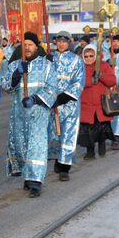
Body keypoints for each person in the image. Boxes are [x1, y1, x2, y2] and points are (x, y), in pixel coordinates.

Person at [2, 32, 57, 198]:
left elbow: (53, 88)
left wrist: (35, 98)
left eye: (30, 45)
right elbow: (5, 86)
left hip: (38, 112)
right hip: (19, 113)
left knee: (36, 146)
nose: (27, 48)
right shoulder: (15, 65)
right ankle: (28, 175)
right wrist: (16, 75)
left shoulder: (47, 65)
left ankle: (36, 182)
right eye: (24, 44)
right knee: (21, 145)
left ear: (36, 46)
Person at [48, 31, 85, 181]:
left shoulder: (76, 60)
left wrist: (64, 97)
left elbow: (79, 81)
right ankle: (57, 159)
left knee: (68, 135)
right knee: (54, 133)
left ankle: (65, 167)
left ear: (69, 42)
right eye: (59, 41)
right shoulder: (49, 58)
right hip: (51, 102)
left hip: (69, 104)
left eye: (64, 41)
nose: (61, 44)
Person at [78, 45, 117, 159]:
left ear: (95, 56)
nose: (89, 58)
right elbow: (78, 82)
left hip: (101, 104)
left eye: (91, 56)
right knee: (88, 130)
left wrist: (101, 76)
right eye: (86, 56)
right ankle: (90, 151)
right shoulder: (80, 67)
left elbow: (112, 81)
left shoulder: (103, 66)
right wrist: (90, 81)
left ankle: (102, 144)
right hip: (86, 105)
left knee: (101, 127)